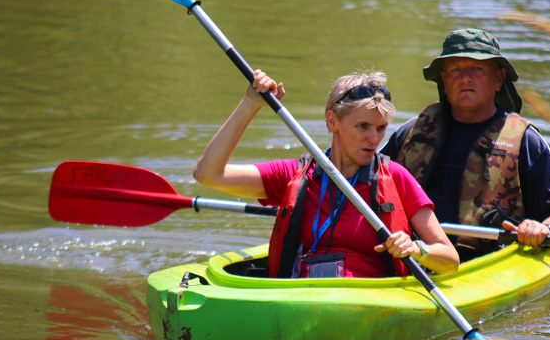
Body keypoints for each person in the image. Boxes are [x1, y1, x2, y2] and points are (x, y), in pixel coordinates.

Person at [193, 69, 459, 278]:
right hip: (302, 299)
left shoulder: (397, 177)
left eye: (380, 128)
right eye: (363, 126)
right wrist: (250, 104)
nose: (373, 138)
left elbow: (450, 259)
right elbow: (208, 174)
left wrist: (417, 249)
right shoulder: (294, 174)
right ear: (333, 121)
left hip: (367, 304)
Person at [381, 28, 550, 260]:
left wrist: (544, 229)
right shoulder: (410, 133)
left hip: (489, 262)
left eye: (478, 69)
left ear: (498, 79)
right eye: (455, 69)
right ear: (443, 80)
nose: (465, 77)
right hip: (415, 255)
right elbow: (368, 187)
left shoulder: (526, 141)